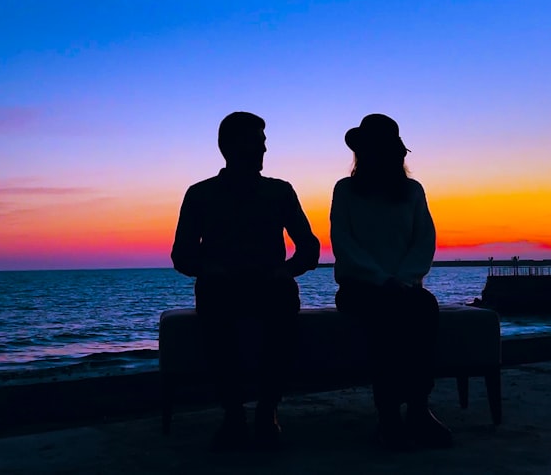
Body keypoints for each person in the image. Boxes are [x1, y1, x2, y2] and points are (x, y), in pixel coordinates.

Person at [172, 111, 320, 451]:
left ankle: (267, 410)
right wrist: (209, 270)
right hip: (221, 288)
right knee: (215, 306)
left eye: (264, 142)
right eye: (257, 141)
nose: (264, 149)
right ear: (230, 146)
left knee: (283, 301)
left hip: (270, 286)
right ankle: (234, 413)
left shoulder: (280, 192)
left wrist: (287, 270)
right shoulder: (200, 194)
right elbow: (182, 255)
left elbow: (309, 247)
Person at [329, 113, 452, 450]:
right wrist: (382, 279)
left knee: (423, 307)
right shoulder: (346, 191)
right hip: (358, 289)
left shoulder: (412, 191)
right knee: (384, 317)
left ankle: (417, 407)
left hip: (407, 289)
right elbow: (343, 242)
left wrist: (404, 279)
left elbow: (424, 240)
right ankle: (388, 415)